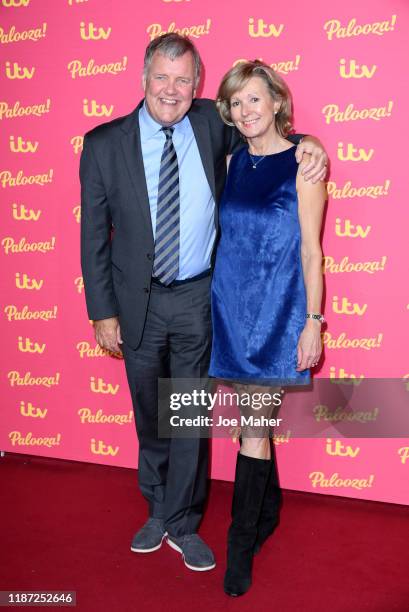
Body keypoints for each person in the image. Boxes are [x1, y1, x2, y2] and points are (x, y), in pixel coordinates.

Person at [80, 34, 328, 573]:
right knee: (152, 413)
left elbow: (267, 135)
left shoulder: (212, 123)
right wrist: (102, 311)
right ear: (144, 78)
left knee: (187, 412)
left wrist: (312, 144)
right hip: (136, 301)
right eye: (162, 77)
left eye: (183, 79)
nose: (172, 89)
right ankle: (157, 509)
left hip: (198, 297)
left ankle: (184, 521)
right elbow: (94, 235)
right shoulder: (103, 144)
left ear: (196, 84)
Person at [209, 60, 326, 595]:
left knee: (252, 429)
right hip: (230, 311)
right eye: (236, 103)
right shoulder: (231, 160)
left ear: (277, 102)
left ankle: (240, 545)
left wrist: (313, 322)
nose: (245, 111)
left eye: (254, 99)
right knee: (249, 426)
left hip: (279, 314)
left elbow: (311, 251)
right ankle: (268, 509)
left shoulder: (304, 165)